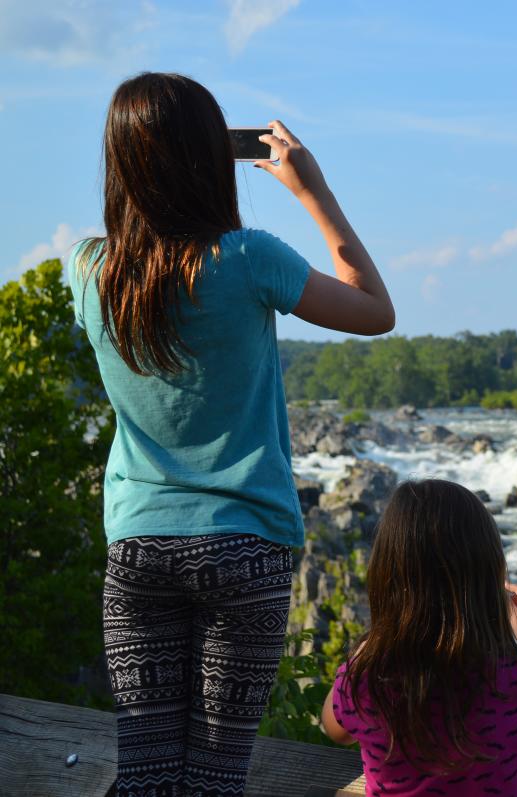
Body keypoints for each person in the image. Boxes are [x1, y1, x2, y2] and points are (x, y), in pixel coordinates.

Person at [68, 72, 394, 796]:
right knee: (215, 780)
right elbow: (377, 310)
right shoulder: (248, 259)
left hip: (138, 546)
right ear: (205, 158)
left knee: (147, 776)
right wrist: (314, 192)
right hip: (245, 547)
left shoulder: (88, 272)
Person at [320, 479, 517, 795]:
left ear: (385, 577)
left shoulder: (368, 677)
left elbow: (334, 729)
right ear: (492, 574)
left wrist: (372, 644)